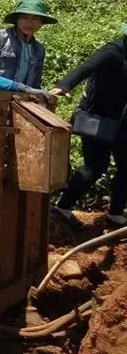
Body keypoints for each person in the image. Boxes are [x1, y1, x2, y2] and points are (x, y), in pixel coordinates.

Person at [48, 24, 127, 230]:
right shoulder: (112, 52)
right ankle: (62, 208)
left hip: (122, 120)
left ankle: (116, 214)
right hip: (97, 117)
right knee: (96, 166)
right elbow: (86, 67)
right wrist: (64, 85)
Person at [0, 0, 56, 89]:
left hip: (18, 100)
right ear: (17, 20)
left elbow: (35, 84)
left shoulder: (38, 50)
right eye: (24, 18)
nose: (29, 23)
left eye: (35, 18)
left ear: (41, 23)